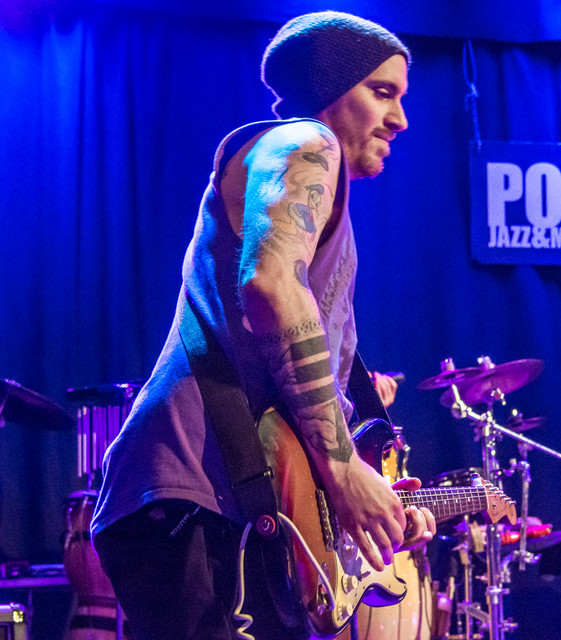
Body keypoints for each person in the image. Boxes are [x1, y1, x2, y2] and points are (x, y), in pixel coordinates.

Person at [91, 12, 435, 640]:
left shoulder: (325, 196)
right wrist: (343, 471)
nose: (400, 119)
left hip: (239, 501)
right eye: (381, 92)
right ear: (330, 89)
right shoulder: (306, 142)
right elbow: (271, 285)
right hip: (196, 492)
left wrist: (366, 501)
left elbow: (287, 395)